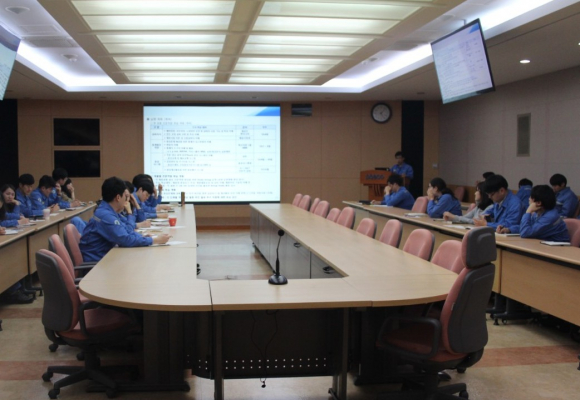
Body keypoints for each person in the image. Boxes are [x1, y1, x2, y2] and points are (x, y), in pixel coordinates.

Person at [79, 177, 171, 263]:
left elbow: (126, 231)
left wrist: (142, 237)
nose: (127, 201)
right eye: (125, 196)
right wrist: (153, 240)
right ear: (118, 198)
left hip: (105, 257)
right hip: (96, 263)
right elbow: (125, 239)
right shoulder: (106, 215)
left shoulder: (110, 211)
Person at [498, 185, 570, 242]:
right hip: (542, 245)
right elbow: (527, 227)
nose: (529, 199)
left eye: (531, 197)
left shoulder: (550, 216)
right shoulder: (538, 213)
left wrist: (528, 212)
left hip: (558, 249)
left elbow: (525, 233)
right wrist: (509, 229)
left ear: (538, 203)